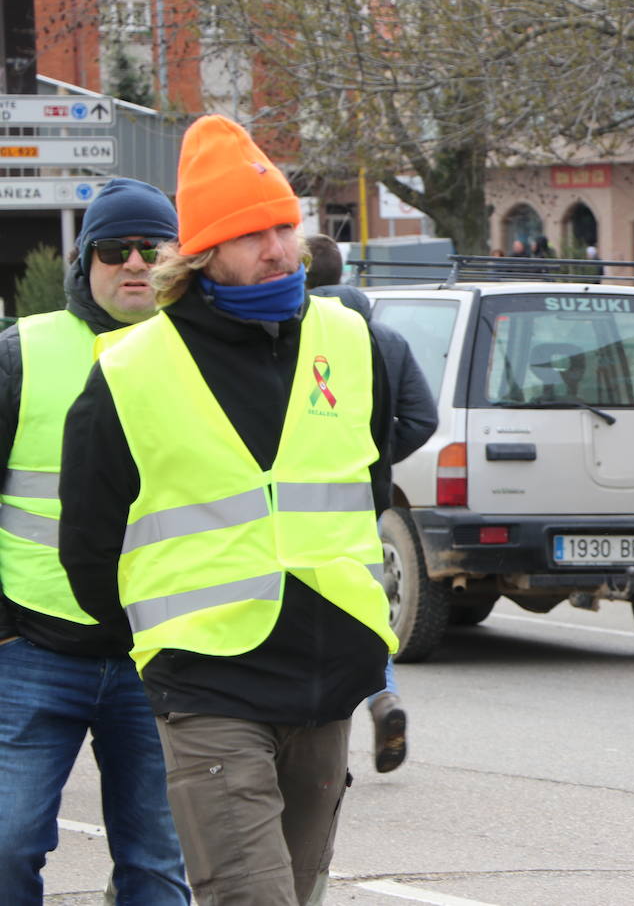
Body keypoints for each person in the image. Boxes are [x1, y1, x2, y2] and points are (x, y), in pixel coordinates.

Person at [58, 115, 397, 904]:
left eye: (285, 226)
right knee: (254, 897)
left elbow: (369, 484)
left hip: (326, 672)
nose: (279, 249)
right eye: (253, 234)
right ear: (206, 252)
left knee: (297, 891)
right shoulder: (131, 372)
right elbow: (88, 544)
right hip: (207, 685)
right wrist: (159, 646)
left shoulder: (348, 340)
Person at [0, 179, 191, 904]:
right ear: (86, 262)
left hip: (161, 657)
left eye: (155, 247)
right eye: (116, 249)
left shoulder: (205, 359)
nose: (136, 262)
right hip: (34, 653)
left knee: (156, 864)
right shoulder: (23, 353)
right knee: (7, 848)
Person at [306, 234, 440, 773]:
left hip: (281, 502)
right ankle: (382, 696)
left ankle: (307, 737)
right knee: (362, 606)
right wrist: (375, 462)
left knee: (294, 616)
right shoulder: (383, 337)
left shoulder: (285, 334)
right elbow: (422, 419)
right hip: (359, 504)